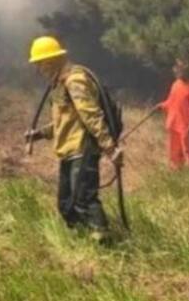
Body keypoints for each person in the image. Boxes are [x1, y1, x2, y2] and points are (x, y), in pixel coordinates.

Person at [24, 35, 123, 237]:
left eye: (39, 64)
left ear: (50, 62)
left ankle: (104, 242)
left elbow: (91, 115)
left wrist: (110, 147)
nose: (38, 70)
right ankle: (82, 239)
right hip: (69, 151)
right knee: (66, 205)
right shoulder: (60, 85)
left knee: (83, 200)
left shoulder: (75, 80)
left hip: (82, 149)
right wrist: (40, 134)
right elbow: (65, 121)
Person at [158, 58, 189, 169]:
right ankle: (175, 175)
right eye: (176, 70)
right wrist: (161, 105)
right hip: (173, 124)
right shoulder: (176, 84)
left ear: (187, 71)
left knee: (187, 154)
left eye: (180, 70)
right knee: (173, 153)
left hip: (186, 127)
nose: (177, 72)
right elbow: (171, 101)